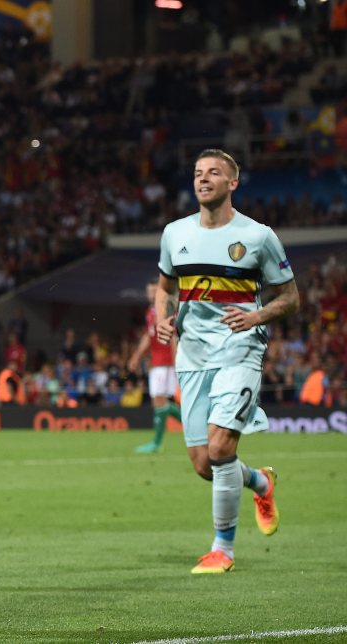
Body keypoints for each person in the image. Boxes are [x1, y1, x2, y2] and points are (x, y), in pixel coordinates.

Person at [156, 149, 299, 574]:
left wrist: (256, 316)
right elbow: (164, 286)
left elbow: (290, 297)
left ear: (232, 183)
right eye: (198, 173)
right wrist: (163, 317)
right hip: (193, 356)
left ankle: (223, 549)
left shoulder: (258, 237)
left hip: (240, 349)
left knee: (220, 448)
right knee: (205, 465)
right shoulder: (174, 233)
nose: (203, 179)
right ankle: (260, 481)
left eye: (214, 173)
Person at [128, 280, 182, 453]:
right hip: (157, 361)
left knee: (159, 400)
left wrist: (175, 362)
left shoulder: (165, 310)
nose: (150, 294)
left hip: (165, 362)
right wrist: (136, 356)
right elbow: (148, 337)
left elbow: (173, 336)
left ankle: (157, 443)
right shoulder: (151, 312)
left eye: (153, 290)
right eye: (148, 291)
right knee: (161, 402)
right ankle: (196, 428)